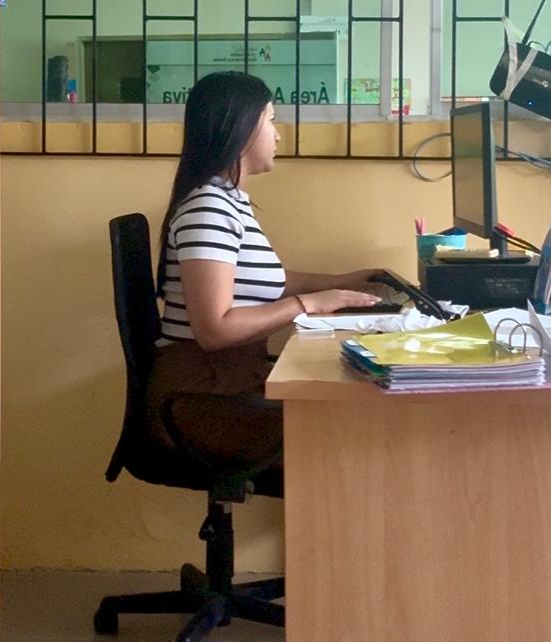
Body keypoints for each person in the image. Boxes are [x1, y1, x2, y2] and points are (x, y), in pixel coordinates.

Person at [146, 70, 384, 470]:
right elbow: (215, 330)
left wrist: (344, 282)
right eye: (271, 121)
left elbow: (264, 281)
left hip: (229, 382)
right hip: (203, 397)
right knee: (358, 430)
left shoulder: (228, 201)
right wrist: (307, 304)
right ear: (241, 129)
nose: (278, 135)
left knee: (357, 413)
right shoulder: (208, 210)